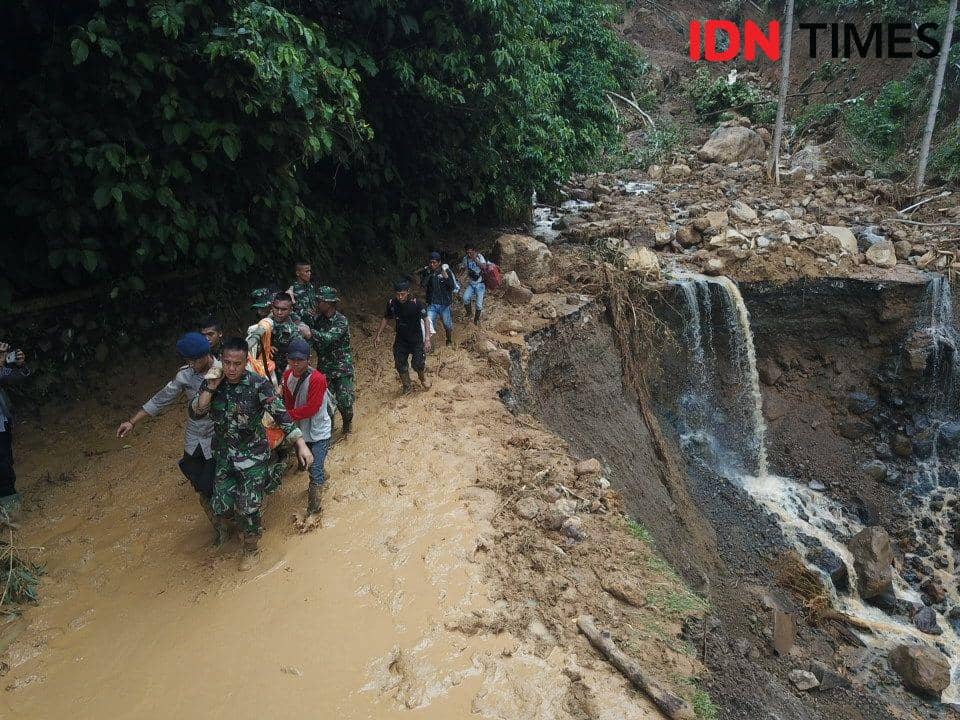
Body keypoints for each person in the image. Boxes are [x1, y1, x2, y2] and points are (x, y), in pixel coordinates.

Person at [190, 337, 312, 570]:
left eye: (237, 363)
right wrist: (210, 387)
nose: (232, 369)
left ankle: (251, 548)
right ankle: (266, 486)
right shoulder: (214, 383)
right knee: (221, 504)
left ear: (246, 361)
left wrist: (301, 444)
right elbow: (196, 413)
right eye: (227, 363)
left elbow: (281, 415)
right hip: (225, 456)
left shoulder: (258, 384)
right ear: (221, 361)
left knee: (248, 508)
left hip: (253, 456)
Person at [116, 333, 225, 545]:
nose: (191, 364)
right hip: (195, 438)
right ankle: (220, 529)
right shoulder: (185, 376)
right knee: (201, 484)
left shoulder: (224, 370)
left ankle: (237, 522)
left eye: (194, 360)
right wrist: (132, 422)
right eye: (187, 361)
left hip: (219, 436)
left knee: (221, 482)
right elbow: (161, 399)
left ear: (206, 355)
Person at [282, 339, 335, 530]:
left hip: (319, 431)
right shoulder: (287, 375)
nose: (295, 364)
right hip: (301, 432)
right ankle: (322, 474)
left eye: (300, 360)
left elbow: (312, 408)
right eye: (292, 360)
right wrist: (286, 419)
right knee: (309, 465)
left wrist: (286, 416)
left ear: (308, 360)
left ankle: (314, 511)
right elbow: (288, 402)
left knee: (314, 472)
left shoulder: (318, 379)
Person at [302, 286, 355, 434]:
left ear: (329, 303)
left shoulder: (341, 321)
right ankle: (327, 433)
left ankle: (347, 424)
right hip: (324, 368)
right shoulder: (318, 321)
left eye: (320, 301)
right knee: (324, 404)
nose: (317, 303)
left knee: (345, 402)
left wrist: (310, 332)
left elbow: (328, 338)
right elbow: (310, 340)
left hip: (342, 368)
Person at [374, 279, 431, 393]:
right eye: (397, 294)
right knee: (400, 363)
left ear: (408, 292)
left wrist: (427, 338)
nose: (400, 297)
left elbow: (426, 320)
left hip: (416, 339)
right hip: (401, 339)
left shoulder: (416, 303)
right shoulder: (392, 303)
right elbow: (386, 318)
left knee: (417, 363)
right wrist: (378, 334)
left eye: (402, 294)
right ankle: (407, 386)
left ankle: (422, 377)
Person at [0, 342, 30, 526]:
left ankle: (11, 517)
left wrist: (19, 365)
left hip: (1, 426)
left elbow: (19, 377)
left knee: (4, 469)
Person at [420, 251, 456, 346]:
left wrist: (446, 277)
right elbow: (423, 284)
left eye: (434, 262)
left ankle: (449, 340)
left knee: (447, 325)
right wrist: (429, 274)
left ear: (439, 262)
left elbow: (452, 286)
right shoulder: (428, 272)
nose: (432, 264)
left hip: (444, 304)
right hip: (432, 304)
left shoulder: (446, 271)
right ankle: (427, 344)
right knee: (428, 324)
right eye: (431, 262)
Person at [460, 242, 489, 325]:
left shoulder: (479, 257)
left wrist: (475, 259)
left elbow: (484, 267)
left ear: (474, 251)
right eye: (467, 252)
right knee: (465, 298)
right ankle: (469, 313)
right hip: (471, 283)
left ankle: (476, 319)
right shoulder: (465, 259)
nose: (469, 254)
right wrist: (460, 278)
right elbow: (464, 269)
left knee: (479, 305)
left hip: (480, 284)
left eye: (470, 252)